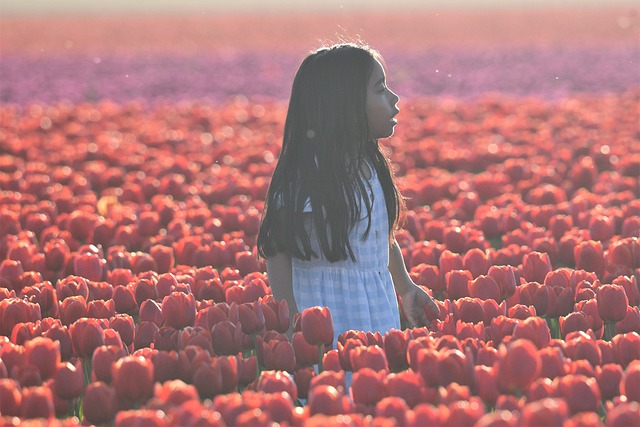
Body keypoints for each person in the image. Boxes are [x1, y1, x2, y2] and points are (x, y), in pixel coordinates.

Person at [257, 43, 438, 344]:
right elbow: (277, 246)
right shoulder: (313, 173)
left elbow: (382, 238)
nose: (394, 99)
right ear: (344, 104)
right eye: (380, 90)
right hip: (327, 323)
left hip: (377, 316)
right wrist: (288, 322)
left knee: (372, 384)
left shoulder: (373, 166)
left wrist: (405, 287)